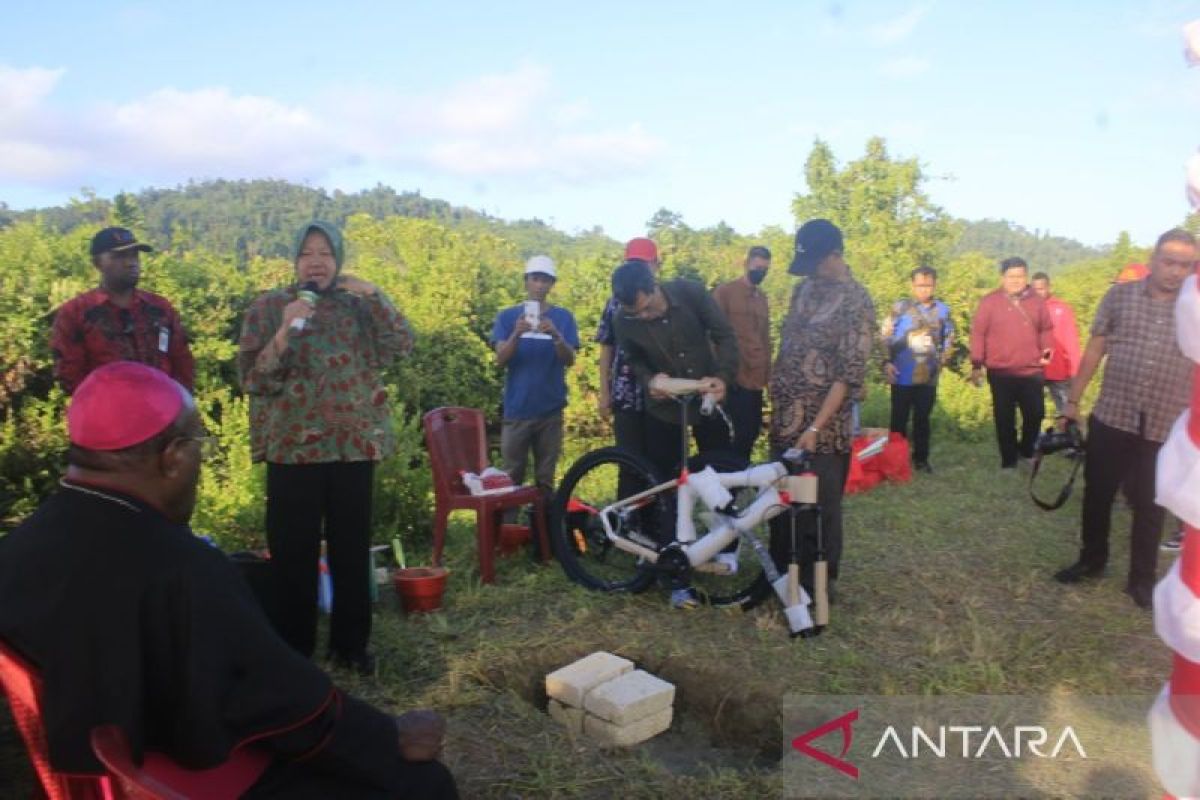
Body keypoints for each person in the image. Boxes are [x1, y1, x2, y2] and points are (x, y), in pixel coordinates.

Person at [0, 362, 457, 799]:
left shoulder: (20, 545)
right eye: (199, 442)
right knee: (421, 785)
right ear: (174, 457)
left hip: (85, 767)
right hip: (156, 780)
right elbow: (285, 706)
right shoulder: (184, 567)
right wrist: (387, 735)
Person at [238, 221, 414, 674]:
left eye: (325, 253)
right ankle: (293, 651)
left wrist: (374, 293)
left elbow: (402, 344)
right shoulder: (269, 306)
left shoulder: (358, 307)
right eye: (306, 253)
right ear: (293, 260)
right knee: (292, 554)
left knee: (351, 551)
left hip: (353, 447)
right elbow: (254, 380)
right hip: (292, 451)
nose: (316, 261)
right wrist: (284, 331)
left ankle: (351, 647)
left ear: (338, 260)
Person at [1053, 229, 1198, 610]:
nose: (1176, 271)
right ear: (1153, 259)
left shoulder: (1195, 308)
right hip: (1113, 415)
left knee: (1151, 506)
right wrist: (1073, 400)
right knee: (1098, 492)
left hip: (1165, 423)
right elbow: (1095, 348)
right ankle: (1092, 560)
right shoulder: (1120, 296)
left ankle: (1142, 581)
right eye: (1169, 261)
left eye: (1186, 265)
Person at [611, 259, 739, 608]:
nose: (645, 317)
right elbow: (633, 359)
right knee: (664, 483)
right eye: (637, 314)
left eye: (648, 308)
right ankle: (666, 555)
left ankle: (724, 546)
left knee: (722, 475)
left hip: (708, 394)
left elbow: (724, 335)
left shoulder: (690, 292)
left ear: (655, 287)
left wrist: (724, 377)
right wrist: (649, 380)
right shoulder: (623, 318)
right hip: (664, 409)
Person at [769, 219, 875, 600]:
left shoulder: (856, 302)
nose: (811, 271)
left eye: (815, 262)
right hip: (784, 419)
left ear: (834, 255)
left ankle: (817, 587)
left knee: (818, 505)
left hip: (824, 429)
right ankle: (781, 577)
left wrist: (814, 428)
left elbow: (848, 375)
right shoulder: (803, 290)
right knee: (782, 500)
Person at [51, 226, 194, 393]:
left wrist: (180, 407)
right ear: (97, 263)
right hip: (106, 414)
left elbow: (183, 362)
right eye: (119, 256)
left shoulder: (161, 308)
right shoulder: (75, 313)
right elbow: (70, 377)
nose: (130, 262)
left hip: (164, 410)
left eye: (134, 255)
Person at [490, 256, 579, 494]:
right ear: (526, 281)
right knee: (510, 479)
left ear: (552, 284)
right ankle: (507, 529)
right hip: (516, 411)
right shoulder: (508, 318)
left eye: (545, 280)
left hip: (550, 411)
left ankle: (544, 528)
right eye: (535, 279)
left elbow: (569, 360)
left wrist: (557, 336)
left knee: (545, 480)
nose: (540, 285)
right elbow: (500, 360)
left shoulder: (563, 318)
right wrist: (515, 335)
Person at [969, 257, 1054, 469]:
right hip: (1001, 370)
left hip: (1031, 369)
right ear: (1003, 277)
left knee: (1035, 414)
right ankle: (1008, 460)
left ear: (1026, 277)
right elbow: (978, 333)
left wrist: (1047, 350)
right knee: (1004, 417)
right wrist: (976, 364)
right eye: (1011, 276)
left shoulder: (1036, 301)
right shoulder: (990, 302)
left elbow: (1046, 329)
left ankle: (1026, 450)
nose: (1016, 281)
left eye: (1020, 276)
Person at [882, 266, 955, 472]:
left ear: (934, 285)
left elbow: (949, 336)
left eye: (928, 285)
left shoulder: (942, 310)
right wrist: (886, 362)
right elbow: (885, 335)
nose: (924, 289)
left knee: (922, 418)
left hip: (928, 376)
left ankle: (921, 460)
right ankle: (896, 460)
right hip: (901, 373)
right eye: (920, 285)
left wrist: (942, 360)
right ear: (912, 285)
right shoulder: (900, 308)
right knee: (898, 419)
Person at [596, 237, 661, 459]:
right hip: (626, 394)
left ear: (656, 266)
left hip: (662, 394)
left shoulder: (666, 299)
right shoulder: (616, 302)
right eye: (632, 263)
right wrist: (604, 392)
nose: (638, 269)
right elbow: (606, 347)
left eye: (644, 264)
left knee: (663, 460)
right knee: (629, 461)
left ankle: (662, 496)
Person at [712, 245, 772, 460]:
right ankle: (728, 484)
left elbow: (765, 338)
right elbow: (712, 334)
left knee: (751, 431)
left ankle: (738, 479)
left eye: (765, 270)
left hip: (756, 377)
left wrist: (769, 376)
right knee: (736, 433)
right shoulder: (725, 292)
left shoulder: (763, 298)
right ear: (746, 263)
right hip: (734, 375)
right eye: (757, 268)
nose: (760, 273)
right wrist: (719, 376)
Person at [1030, 272, 1081, 416]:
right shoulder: (1026, 309)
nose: (1038, 293)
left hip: (1058, 370)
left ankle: (1075, 437)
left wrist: (1075, 370)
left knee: (1067, 412)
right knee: (1032, 413)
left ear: (1048, 287)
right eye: (1034, 289)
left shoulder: (1061, 309)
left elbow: (1071, 340)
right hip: (1034, 370)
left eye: (1041, 288)